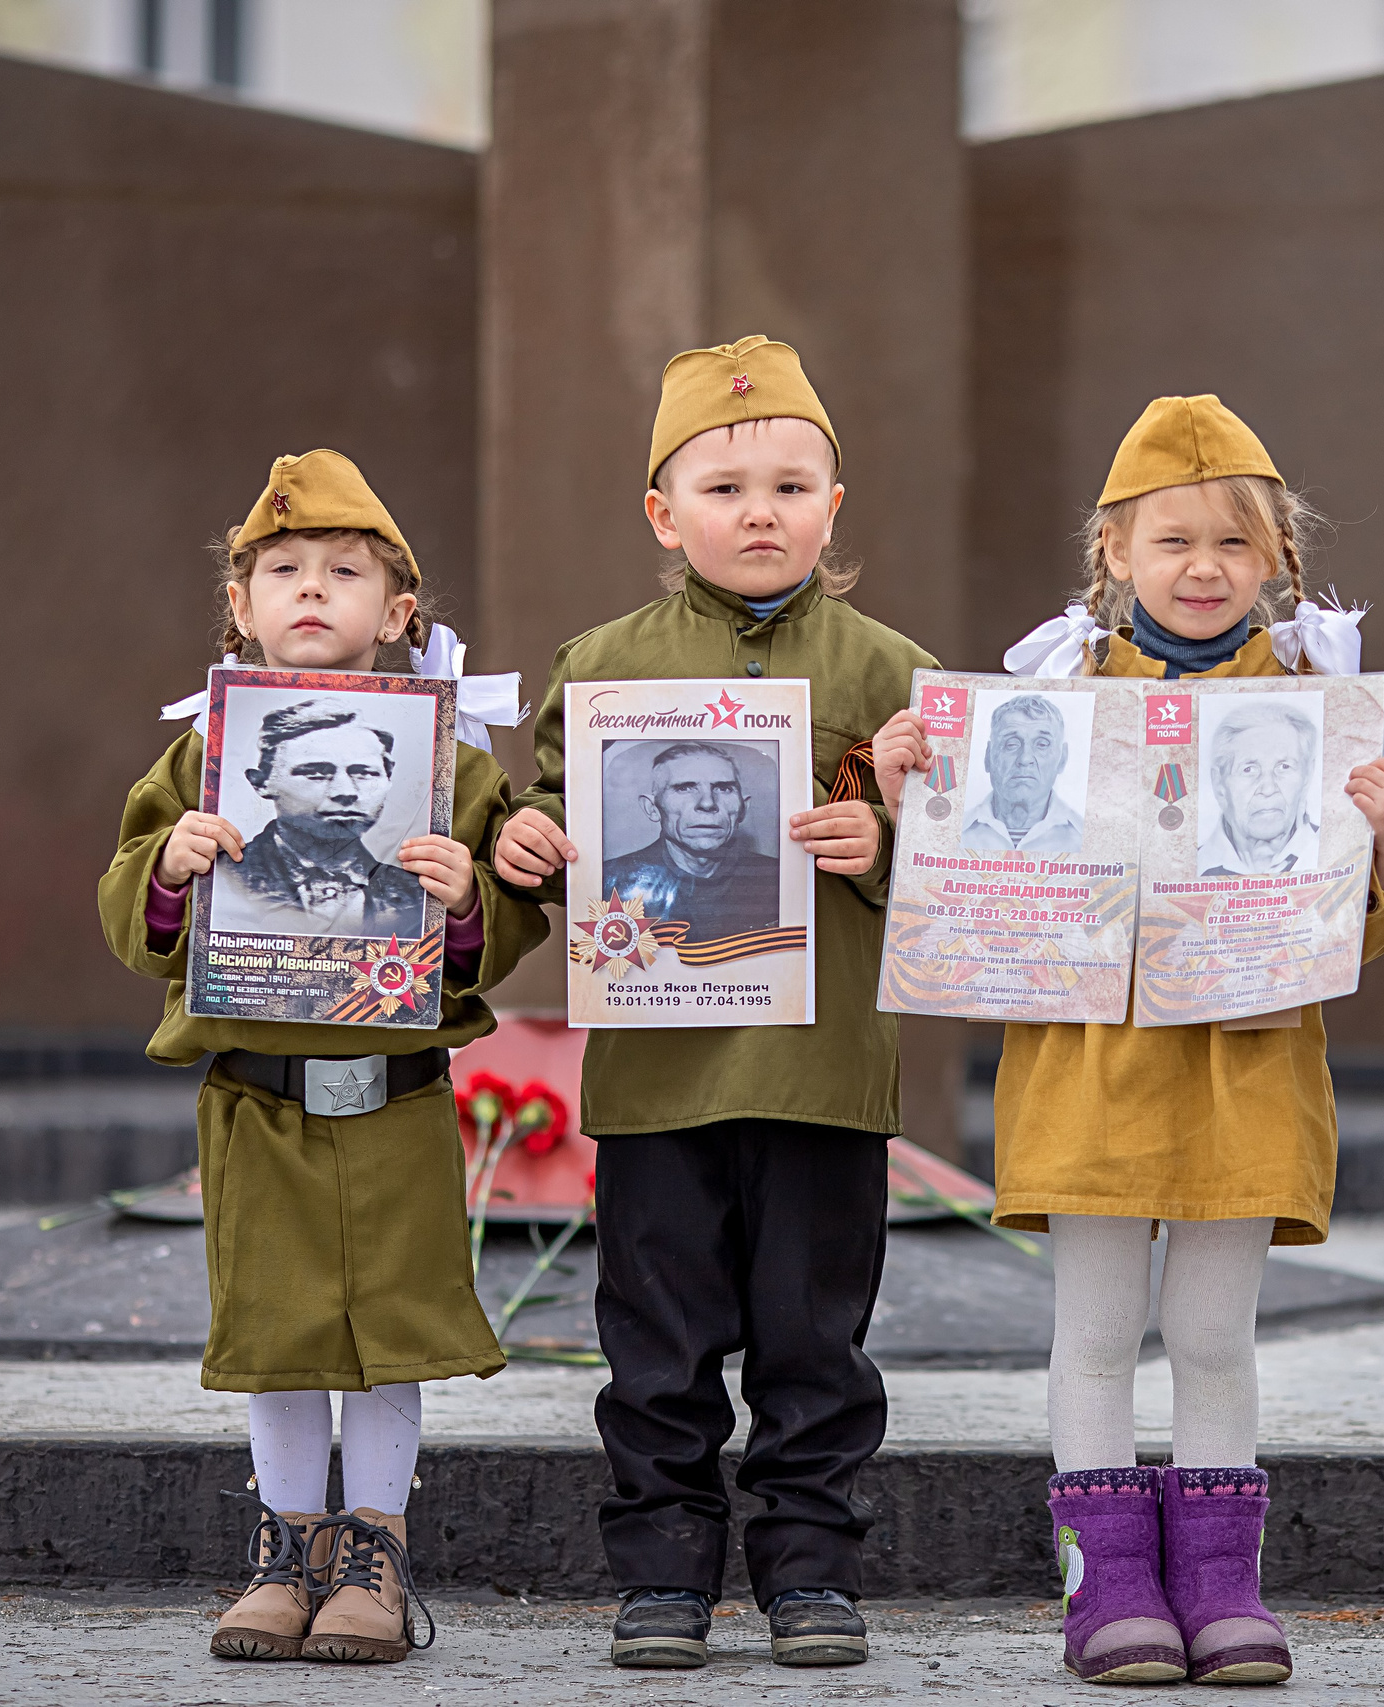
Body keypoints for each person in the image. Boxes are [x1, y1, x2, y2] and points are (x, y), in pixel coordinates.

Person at [875, 395, 1384, 1688]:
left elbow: (1350, 924)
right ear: (1113, 550)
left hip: (1245, 1067)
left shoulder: (1314, 711)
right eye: (1172, 540)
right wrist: (909, 789)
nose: (1203, 567)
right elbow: (975, 885)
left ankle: (1223, 1581)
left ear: (1277, 558)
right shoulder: (1048, 701)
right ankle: (1109, 1581)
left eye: (1233, 543)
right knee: (1098, 1328)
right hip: (1090, 1071)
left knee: (1217, 1333)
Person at [491, 336, 935, 1672]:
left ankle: (810, 1571)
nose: (759, 512)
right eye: (724, 487)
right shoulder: (602, 666)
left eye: (790, 487)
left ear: (833, 507)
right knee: (656, 1345)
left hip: (821, 1073)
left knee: (817, 1344)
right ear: (661, 512)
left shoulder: (896, 673)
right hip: (657, 1079)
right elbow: (555, 826)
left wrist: (890, 842)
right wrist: (528, 843)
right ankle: (662, 1575)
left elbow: (984, 878)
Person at [99, 450, 548, 1666]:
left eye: (346, 572)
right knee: (280, 1331)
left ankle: (373, 1555)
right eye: (284, 569)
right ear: (239, 606)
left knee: (389, 1336)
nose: (312, 588)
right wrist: (170, 872)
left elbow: (508, 928)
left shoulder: (453, 769)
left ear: (398, 614)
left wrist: (468, 900)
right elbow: (128, 911)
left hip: (396, 1102)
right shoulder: (198, 765)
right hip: (261, 1107)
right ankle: (285, 1550)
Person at [213, 700, 428, 938]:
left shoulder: (418, 894)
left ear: (388, 778)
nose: (345, 791)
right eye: (316, 773)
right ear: (261, 782)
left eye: (364, 773)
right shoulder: (220, 878)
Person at [592, 740, 780, 942]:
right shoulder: (609, 883)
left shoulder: (778, 878)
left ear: (743, 808)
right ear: (652, 808)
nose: (707, 803)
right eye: (684, 788)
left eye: (724, 788)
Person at [1198, 699, 1321, 876]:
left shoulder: (1338, 848)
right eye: (1249, 769)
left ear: (1307, 774)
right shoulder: (1183, 865)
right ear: (1219, 783)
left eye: (1284, 767)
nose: (1268, 789)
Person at [959, 694, 1085, 852]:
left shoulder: (1086, 837)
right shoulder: (951, 832)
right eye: (1011, 744)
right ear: (988, 756)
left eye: (1042, 744)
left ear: (1062, 758)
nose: (1025, 759)